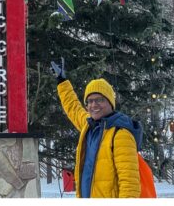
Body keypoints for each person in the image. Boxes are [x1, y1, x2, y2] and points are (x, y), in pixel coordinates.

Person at [52, 59, 143, 198]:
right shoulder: (88, 126)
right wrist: (62, 81)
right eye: (90, 101)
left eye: (100, 99)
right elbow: (73, 108)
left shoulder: (120, 134)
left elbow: (129, 183)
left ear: (110, 103)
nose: (94, 105)